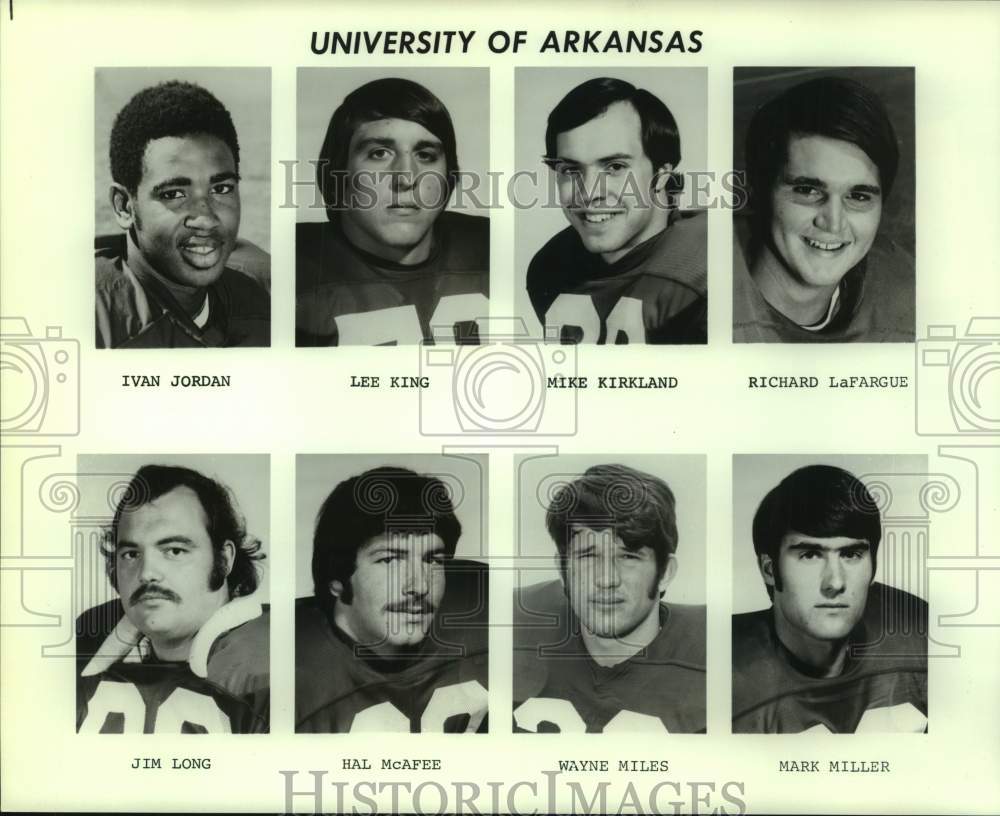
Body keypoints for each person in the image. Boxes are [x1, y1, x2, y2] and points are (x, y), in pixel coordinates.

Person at [732, 465, 928, 733]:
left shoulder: (918, 633)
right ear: (769, 569)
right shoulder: (721, 671)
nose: (835, 582)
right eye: (810, 555)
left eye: (851, 555)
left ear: (873, 564)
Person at [76, 465, 269, 733]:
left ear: (224, 560)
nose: (147, 574)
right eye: (131, 554)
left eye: (175, 551)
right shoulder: (86, 639)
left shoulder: (273, 661)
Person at [296, 78, 489, 346]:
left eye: (425, 155)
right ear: (338, 174)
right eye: (379, 153)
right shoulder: (294, 269)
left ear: (449, 175)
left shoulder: (490, 247)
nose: (406, 177)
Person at [513, 464, 705, 732]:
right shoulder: (511, 625)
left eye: (628, 556)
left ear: (665, 572)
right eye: (588, 555)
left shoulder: (715, 662)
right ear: (562, 568)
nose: (606, 579)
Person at [296, 466, 488, 732]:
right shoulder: (275, 670)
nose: (418, 586)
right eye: (390, 560)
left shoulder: (487, 613)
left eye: (433, 559)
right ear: (336, 578)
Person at [733, 75, 914, 342]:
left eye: (859, 196)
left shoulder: (901, 287)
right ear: (758, 191)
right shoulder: (700, 298)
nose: (834, 222)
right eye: (807, 191)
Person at [526, 77, 706, 345]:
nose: (588, 192)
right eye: (570, 170)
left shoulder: (706, 269)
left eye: (615, 167)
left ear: (662, 175)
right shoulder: (551, 266)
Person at [95, 80, 270, 349]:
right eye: (174, 194)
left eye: (221, 188)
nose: (206, 218)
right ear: (124, 206)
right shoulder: (92, 322)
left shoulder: (266, 297)